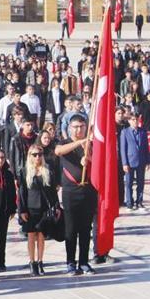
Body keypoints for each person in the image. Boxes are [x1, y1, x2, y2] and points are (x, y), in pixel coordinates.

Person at [54, 115, 98, 276]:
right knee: (71, 229)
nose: (79, 130)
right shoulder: (65, 143)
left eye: (81, 126)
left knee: (86, 229)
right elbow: (58, 151)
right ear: (70, 128)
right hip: (71, 191)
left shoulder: (91, 144)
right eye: (75, 127)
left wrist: (89, 158)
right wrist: (79, 142)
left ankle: (84, 262)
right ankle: (70, 262)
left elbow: (100, 163)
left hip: (88, 190)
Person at [18, 145, 60, 276]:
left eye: (40, 154)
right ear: (29, 156)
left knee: (41, 236)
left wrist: (57, 206)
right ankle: (32, 262)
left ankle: (41, 261)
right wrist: (22, 210)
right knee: (31, 235)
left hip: (44, 208)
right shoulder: (24, 171)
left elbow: (53, 191)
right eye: (34, 154)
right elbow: (21, 193)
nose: (37, 157)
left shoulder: (48, 170)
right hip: (30, 208)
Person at [120, 112, 150, 211]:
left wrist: (148, 161)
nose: (135, 121)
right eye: (133, 120)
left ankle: (139, 202)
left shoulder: (143, 131)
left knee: (140, 183)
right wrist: (124, 163)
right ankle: (129, 203)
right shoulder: (125, 132)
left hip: (141, 161)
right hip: (129, 161)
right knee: (129, 183)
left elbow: (146, 148)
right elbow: (123, 149)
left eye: (136, 119)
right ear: (129, 121)